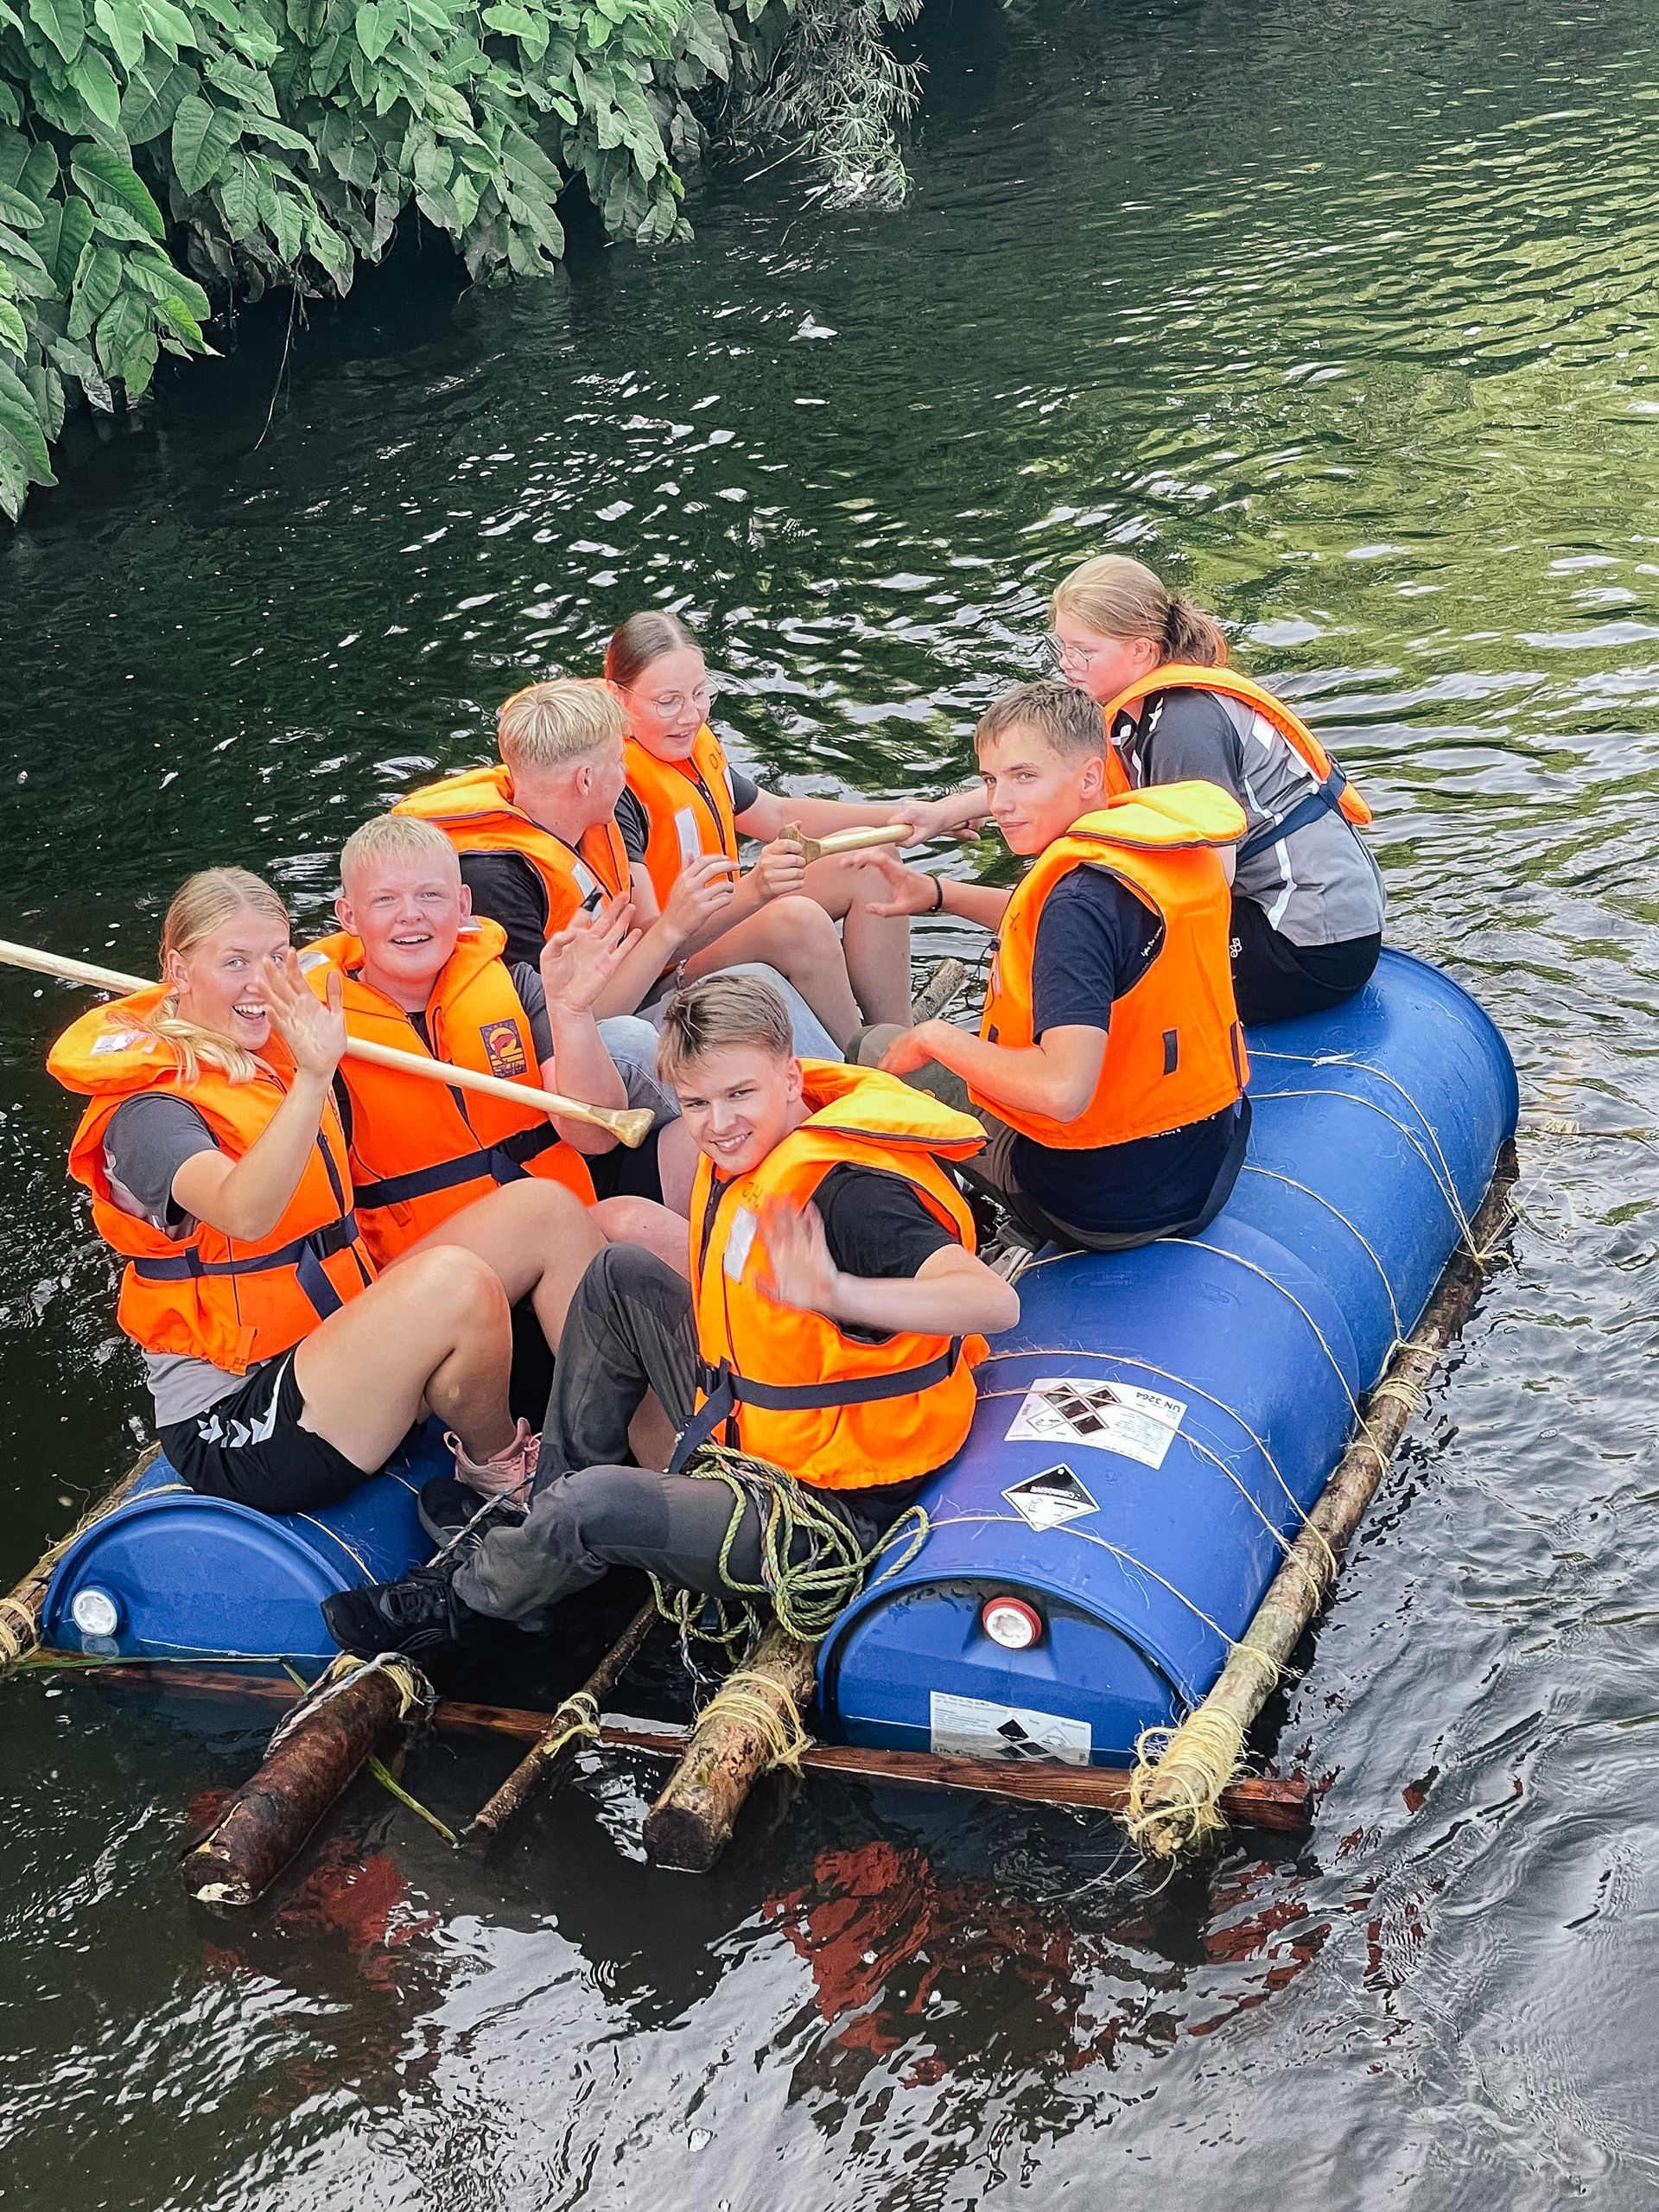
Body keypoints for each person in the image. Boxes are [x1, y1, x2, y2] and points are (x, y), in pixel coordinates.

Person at [321, 973, 1020, 1657]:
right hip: (760, 1427)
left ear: (790, 1074)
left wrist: (840, 1293)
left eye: (741, 1094)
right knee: (617, 1275)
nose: (719, 1125)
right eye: (696, 1103)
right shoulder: (766, 1144)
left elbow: (994, 1302)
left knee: (590, 1507)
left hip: (826, 1508)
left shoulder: (851, 1197)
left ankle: (467, 1603)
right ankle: (538, 1522)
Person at [48, 868, 577, 1516]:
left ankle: (613, 1442)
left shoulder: (271, 1052)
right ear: (178, 971)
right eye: (233, 961)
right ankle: (503, 1477)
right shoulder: (148, 1115)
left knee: (545, 1208)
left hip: (333, 1339)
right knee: (455, 1281)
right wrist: (312, 1075)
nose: (259, 983)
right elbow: (245, 1212)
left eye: (275, 957)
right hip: (240, 1419)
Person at [855, 683, 1252, 1254]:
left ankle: (951, 1230)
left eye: (1024, 777)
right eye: (991, 781)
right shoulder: (1157, 854)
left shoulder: (1077, 902)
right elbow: (1074, 934)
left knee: (872, 1047)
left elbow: (1063, 1090)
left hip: (1103, 1206)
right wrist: (938, 892)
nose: (999, 804)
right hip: (1206, 1166)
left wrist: (935, 1038)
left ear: (1090, 778)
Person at [302, 812, 696, 1261]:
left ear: (464, 905)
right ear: (349, 916)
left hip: (552, 1206)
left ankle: (747, 1315)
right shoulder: (318, 1028)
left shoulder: (515, 983)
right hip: (434, 1257)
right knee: (618, 1220)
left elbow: (596, 1138)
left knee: (687, 1151)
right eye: (385, 900)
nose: (410, 915)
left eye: (430, 895)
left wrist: (571, 1012)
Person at [395, 677, 847, 1065]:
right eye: (617, 761)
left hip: (633, 989)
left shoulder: (599, 820)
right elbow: (568, 1022)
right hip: (576, 1044)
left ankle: (851, 1085)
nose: (627, 770)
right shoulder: (497, 881)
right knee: (729, 1016)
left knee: (760, 982)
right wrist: (673, 926)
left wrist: (679, 922)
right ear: (586, 780)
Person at [606, 611, 988, 1044]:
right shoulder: (613, 786)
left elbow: (776, 816)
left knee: (870, 862)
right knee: (796, 920)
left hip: (715, 930)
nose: (690, 716)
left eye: (699, 694)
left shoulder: (687, 749)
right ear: (618, 698)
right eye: (668, 701)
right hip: (662, 978)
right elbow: (657, 942)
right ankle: (871, 1069)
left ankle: (898, 1039)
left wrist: (921, 816)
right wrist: (757, 892)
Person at [1048, 553, 1385, 1023]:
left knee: (1107, 952)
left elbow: (1212, 872)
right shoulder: (1140, 713)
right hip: (1299, 918)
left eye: (1083, 651)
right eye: (1060, 647)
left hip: (1309, 943)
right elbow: (1066, 782)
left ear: (1142, 651)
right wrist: (950, 812)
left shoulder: (1181, 724)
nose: (1067, 665)